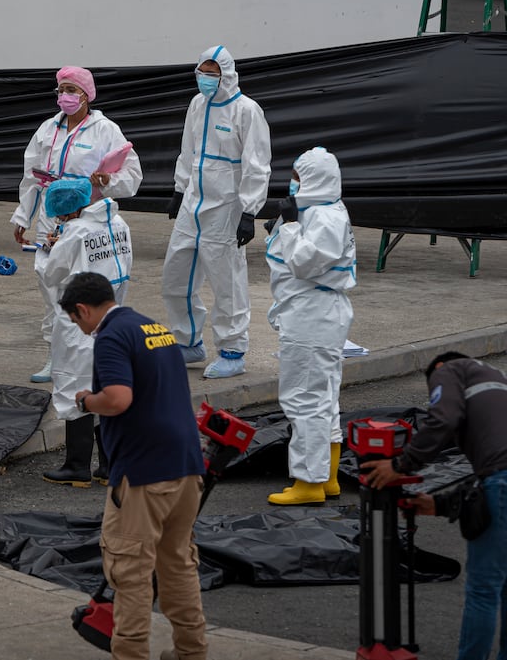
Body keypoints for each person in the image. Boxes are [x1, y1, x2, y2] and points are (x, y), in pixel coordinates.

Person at [61, 272, 207, 660]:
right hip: (187, 467)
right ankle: (191, 652)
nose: (83, 330)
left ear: (82, 309)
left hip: (143, 474)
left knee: (131, 574)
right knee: (178, 565)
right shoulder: (154, 328)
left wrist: (85, 401)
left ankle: (131, 655)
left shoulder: (110, 336)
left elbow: (118, 399)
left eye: (77, 321)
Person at [363, 353, 507, 660]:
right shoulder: (496, 378)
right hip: (498, 479)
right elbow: (489, 475)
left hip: (501, 480)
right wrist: (440, 503)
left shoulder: (448, 369)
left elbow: (443, 418)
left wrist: (401, 465)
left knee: (484, 589)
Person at [10, 66, 141, 383]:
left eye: (71, 90)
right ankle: (56, 355)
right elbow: (32, 177)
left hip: (88, 219)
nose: (65, 97)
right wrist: (21, 216)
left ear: (87, 95)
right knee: (52, 290)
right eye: (61, 90)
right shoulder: (47, 130)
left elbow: (132, 176)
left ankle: (101, 354)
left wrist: (108, 181)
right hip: (51, 218)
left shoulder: (105, 131)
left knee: (90, 290)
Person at [162, 45, 270, 379]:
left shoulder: (246, 111)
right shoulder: (197, 104)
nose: (206, 79)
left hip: (226, 207)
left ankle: (233, 350)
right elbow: (188, 150)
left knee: (227, 282)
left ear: (226, 74)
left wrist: (249, 211)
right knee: (176, 276)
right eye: (202, 72)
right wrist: (180, 190)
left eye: (212, 73)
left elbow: (257, 164)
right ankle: (188, 342)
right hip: (193, 203)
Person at [265, 147, 357, 506]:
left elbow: (305, 263)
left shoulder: (322, 218)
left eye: (297, 177)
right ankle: (328, 476)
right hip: (316, 311)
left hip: (311, 313)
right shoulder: (324, 211)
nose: (292, 183)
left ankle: (308, 482)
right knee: (323, 395)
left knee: (304, 398)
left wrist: (288, 228)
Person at [36, 177, 132, 486]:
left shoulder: (76, 232)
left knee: (72, 385)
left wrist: (49, 249)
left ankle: (77, 466)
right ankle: (108, 465)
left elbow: (51, 275)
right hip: (111, 313)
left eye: (61, 215)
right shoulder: (118, 223)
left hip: (78, 318)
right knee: (103, 384)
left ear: (68, 211)